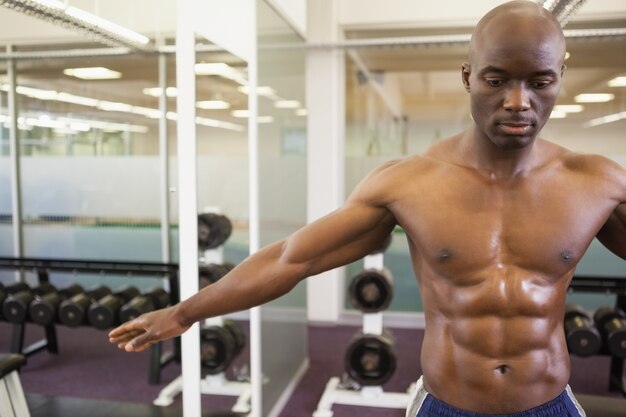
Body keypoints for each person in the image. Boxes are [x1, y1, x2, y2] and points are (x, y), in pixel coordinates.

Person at [109, 1, 626, 415]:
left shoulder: (597, 183)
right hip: (447, 406)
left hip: (549, 404)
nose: (518, 101)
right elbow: (292, 258)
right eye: (497, 80)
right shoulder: (411, 183)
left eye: (539, 81)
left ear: (560, 74)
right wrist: (184, 313)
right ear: (468, 76)